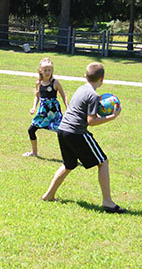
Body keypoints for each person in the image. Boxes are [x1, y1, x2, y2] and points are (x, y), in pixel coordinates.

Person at [41, 62, 126, 214]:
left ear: (85, 76)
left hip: (63, 130)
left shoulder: (82, 89)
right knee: (103, 162)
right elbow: (91, 121)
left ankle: (49, 195)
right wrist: (112, 117)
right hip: (76, 132)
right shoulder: (93, 96)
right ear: (102, 78)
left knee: (69, 164)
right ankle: (107, 202)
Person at [23, 58, 68, 157]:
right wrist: (34, 107)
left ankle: (70, 156)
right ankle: (34, 152)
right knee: (31, 130)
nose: (47, 72)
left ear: (52, 70)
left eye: (49, 70)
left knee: (63, 133)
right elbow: (37, 96)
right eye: (45, 70)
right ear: (40, 70)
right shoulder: (38, 83)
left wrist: (68, 108)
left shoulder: (55, 83)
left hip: (54, 111)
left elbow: (64, 96)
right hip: (43, 112)